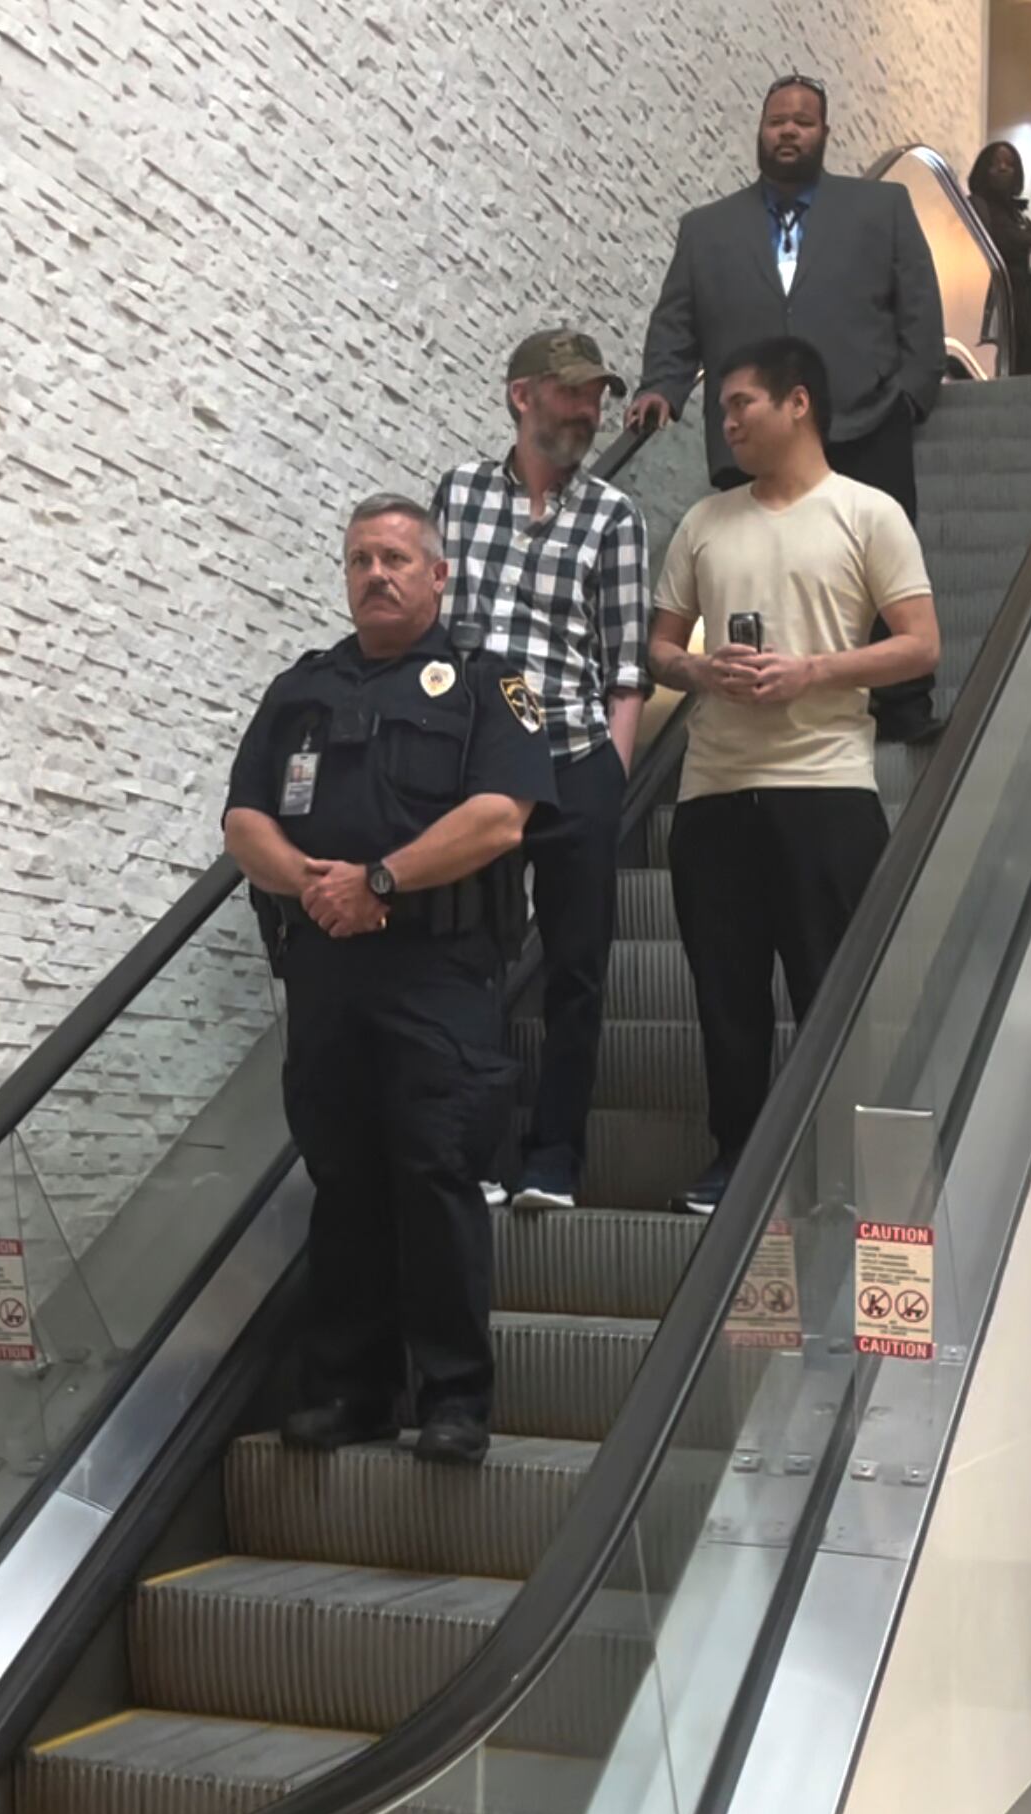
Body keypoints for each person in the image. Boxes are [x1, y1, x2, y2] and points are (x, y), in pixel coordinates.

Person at [223, 496, 556, 1465]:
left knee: (435, 1172)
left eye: (399, 558)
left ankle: (453, 1398)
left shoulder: (490, 687)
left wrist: (380, 880)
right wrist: (320, 890)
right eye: (362, 558)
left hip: (438, 971)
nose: (379, 573)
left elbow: (500, 817)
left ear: (439, 574)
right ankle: (354, 1391)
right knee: (343, 1177)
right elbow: (245, 822)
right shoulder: (303, 689)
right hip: (326, 969)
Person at [642, 338, 937, 1215]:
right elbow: (659, 648)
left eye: (740, 404)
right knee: (723, 994)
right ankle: (736, 1156)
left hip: (829, 790)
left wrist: (812, 672)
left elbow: (921, 644)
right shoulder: (705, 521)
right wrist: (699, 672)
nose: (726, 422)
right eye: (724, 409)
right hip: (714, 795)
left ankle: (840, 1168)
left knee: (832, 993)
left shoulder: (868, 512)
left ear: (797, 403)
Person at [631, 74, 945, 742]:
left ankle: (904, 708)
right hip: (753, 437)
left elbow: (919, 304)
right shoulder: (706, 231)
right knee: (763, 570)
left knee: (881, 565)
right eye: (777, 120)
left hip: (864, 419)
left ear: (824, 135)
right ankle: (760, 696)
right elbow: (676, 324)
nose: (789, 130)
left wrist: (912, 394)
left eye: (804, 121)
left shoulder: (882, 208)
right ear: (760, 131)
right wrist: (661, 386)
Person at [433, 328, 651, 1216]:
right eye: (570, 394)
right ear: (521, 396)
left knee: (576, 968)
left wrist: (611, 779)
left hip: (573, 757)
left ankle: (555, 1152)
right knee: (471, 961)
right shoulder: (456, 495)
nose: (589, 411)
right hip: (477, 765)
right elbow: (435, 631)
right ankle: (481, 1150)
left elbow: (627, 667)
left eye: (596, 396)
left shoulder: (613, 515)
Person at [967, 140, 1031, 376]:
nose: (1002, 168)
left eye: (1009, 164)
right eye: (995, 163)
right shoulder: (977, 209)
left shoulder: (1023, 221)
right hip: (999, 311)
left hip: (1028, 314)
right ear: (983, 170)